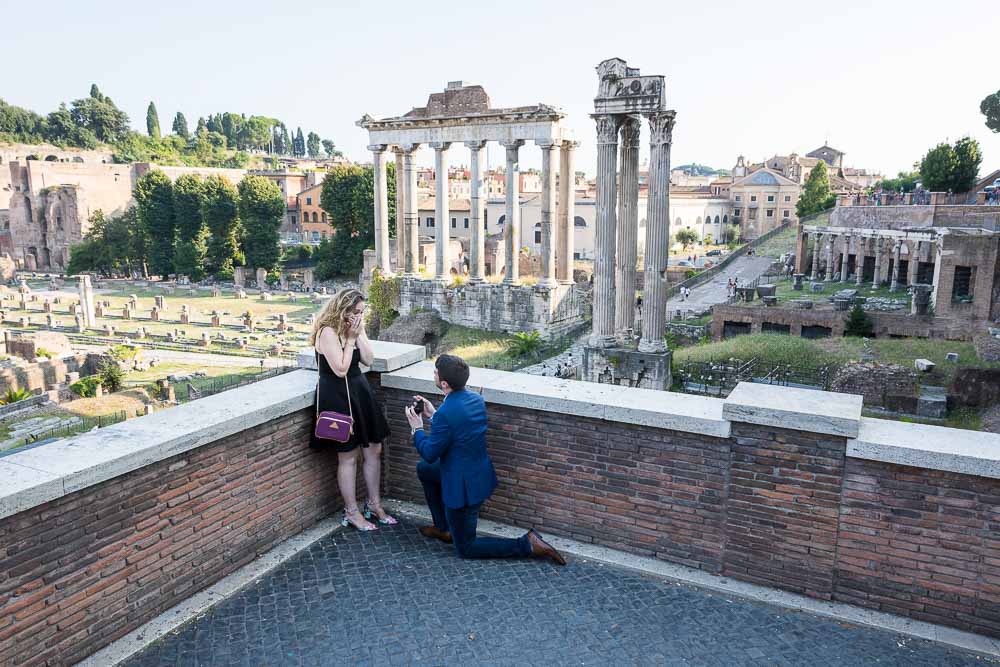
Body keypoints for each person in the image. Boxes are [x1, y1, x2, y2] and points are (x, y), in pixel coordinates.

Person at [405, 354, 565, 564]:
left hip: (461, 487)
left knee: (467, 547)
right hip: (478, 474)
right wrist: (434, 415)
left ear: (444, 383)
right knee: (425, 469)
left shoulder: (446, 413)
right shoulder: (475, 399)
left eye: (435, 371)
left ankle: (527, 544)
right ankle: (443, 528)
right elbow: (457, 430)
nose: (433, 373)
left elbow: (430, 452)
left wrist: (417, 428)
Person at [311, 288, 395, 532]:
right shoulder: (327, 332)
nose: (359, 316)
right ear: (342, 310)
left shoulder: (356, 327)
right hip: (337, 396)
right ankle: (351, 511)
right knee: (347, 455)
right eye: (356, 312)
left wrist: (358, 334)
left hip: (359, 392)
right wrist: (348, 340)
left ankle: (374, 504)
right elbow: (340, 369)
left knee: (374, 449)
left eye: (362, 312)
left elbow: (368, 359)